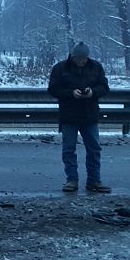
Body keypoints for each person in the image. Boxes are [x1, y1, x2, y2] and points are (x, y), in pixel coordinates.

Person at [47, 41, 110, 193]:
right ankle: (71, 180)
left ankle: (94, 181)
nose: (81, 62)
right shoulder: (60, 68)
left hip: (90, 115)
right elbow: (53, 89)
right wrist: (70, 93)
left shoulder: (96, 67)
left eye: (84, 59)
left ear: (87, 57)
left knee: (94, 149)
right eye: (78, 59)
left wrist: (92, 92)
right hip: (69, 115)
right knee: (69, 149)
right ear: (72, 57)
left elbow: (104, 87)